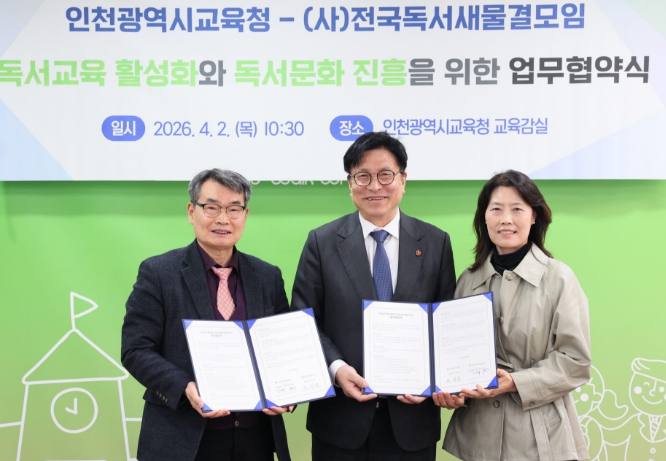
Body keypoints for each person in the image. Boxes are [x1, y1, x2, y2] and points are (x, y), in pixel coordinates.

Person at [291, 131, 456, 460]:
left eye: (385, 175)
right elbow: (303, 320)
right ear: (350, 183)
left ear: (403, 180)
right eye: (363, 176)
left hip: (412, 422)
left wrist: (433, 379)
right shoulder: (322, 243)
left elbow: (446, 324)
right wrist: (337, 369)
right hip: (340, 422)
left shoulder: (435, 242)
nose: (375, 186)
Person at [121, 169, 291, 461]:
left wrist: (289, 392)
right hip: (183, 438)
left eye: (234, 209)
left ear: (245, 215)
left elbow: (283, 348)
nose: (223, 219)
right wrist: (184, 387)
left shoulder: (267, 276)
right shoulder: (159, 273)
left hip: (255, 438)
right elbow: (136, 350)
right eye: (212, 207)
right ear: (192, 211)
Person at [435, 170, 591, 461]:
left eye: (517, 209)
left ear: (533, 216)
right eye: (496, 209)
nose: (505, 219)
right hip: (478, 438)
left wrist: (517, 382)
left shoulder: (559, 278)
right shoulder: (468, 280)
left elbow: (576, 361)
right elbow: (455, 354)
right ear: (484, 218)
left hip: (539, 437)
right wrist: (453, 392)